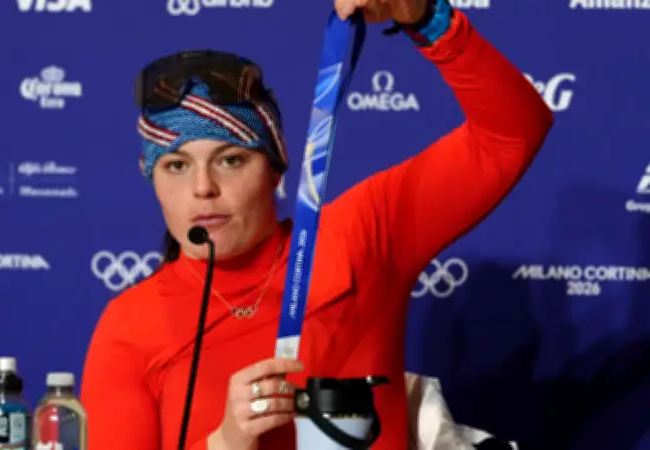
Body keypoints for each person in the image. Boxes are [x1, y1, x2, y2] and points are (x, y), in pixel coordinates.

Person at [80, 0, 554, 448]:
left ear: (276, 169)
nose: (203, 188)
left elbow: (512, 135)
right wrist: (224, 442)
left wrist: (426, 18)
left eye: (230, 160)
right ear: (152, 178)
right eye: (176, 166)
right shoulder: (129, 327)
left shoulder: (359, 236)